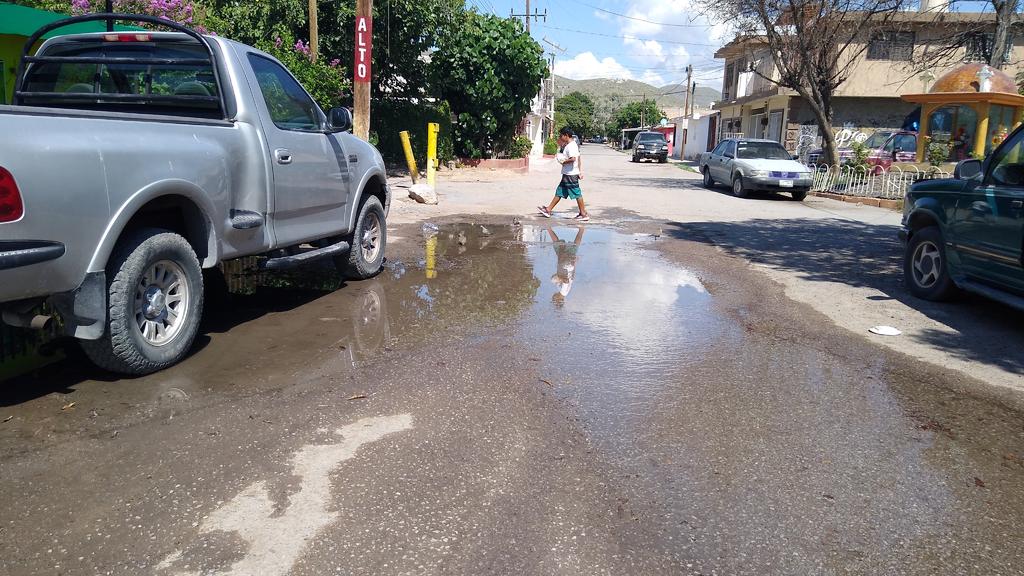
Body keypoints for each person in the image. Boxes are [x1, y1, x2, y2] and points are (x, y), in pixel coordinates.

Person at [538, 127, 589, 222]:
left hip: (570, 174)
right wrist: (579, 171)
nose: (560, 137)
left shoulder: (571, 146)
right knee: (560, 191)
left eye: (561, 135)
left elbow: (573, 159)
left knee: (577, 193)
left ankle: (583, 214)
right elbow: (578, 158)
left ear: (566, 135)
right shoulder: (572, 145)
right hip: (568, 173)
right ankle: (548, 209)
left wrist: (563, 162)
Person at [547, 225, 585, 307]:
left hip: (568, 267)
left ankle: (581, 229)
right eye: (554, 299)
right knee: (559, 247)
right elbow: (566, 281)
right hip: (565, 266)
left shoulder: (564, 292)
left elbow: (571, 277)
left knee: (573, 248)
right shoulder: (563, 292)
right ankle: (548, 228)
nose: (553, 297)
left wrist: (574, 263)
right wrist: (557, 279)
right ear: (558, 300)